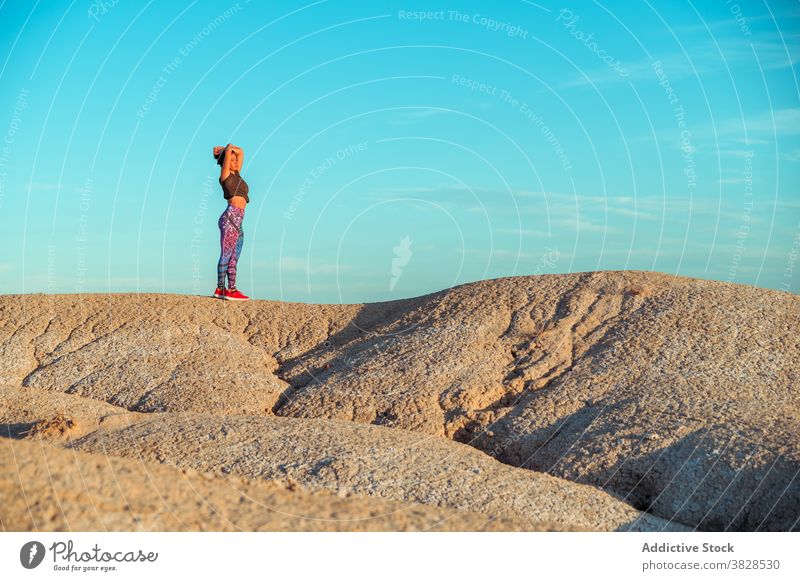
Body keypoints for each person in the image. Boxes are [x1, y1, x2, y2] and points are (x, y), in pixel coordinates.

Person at [212, 143, 250, 301]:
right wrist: (225, 150)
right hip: (230, 218)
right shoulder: (225, 175)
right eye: (231, 160)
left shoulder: (238, 175)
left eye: (235, 161)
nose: (235, 162)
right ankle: (220, 288)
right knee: (226, 254)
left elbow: (241, 152)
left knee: (235, 256)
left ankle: (232, 290)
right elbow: (229, 150)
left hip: (238, 220)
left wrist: (233, 151)